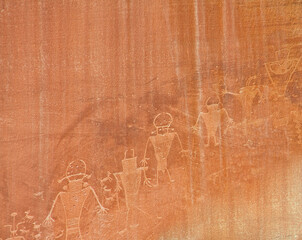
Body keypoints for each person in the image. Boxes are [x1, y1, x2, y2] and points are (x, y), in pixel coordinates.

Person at [43, 160, 107, 240]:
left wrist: (49, 216)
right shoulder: (85, 190)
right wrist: (101, 207)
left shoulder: (63, 194)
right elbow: (92, 191)